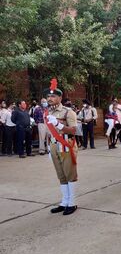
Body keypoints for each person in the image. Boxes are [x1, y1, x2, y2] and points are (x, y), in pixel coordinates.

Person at [45, 79, 79, 215]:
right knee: (61, 175)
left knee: (70, 174)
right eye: (48, 96)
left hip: (66, 145)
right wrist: (49, 147)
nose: (50, 98)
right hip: (54, 145)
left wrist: (59, 125)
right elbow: (49, 132)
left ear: (60, 97)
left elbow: (74, 130)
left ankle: (72, 202)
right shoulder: (48, 112)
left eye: (53, 96)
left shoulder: (67, 112)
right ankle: (64, 201)